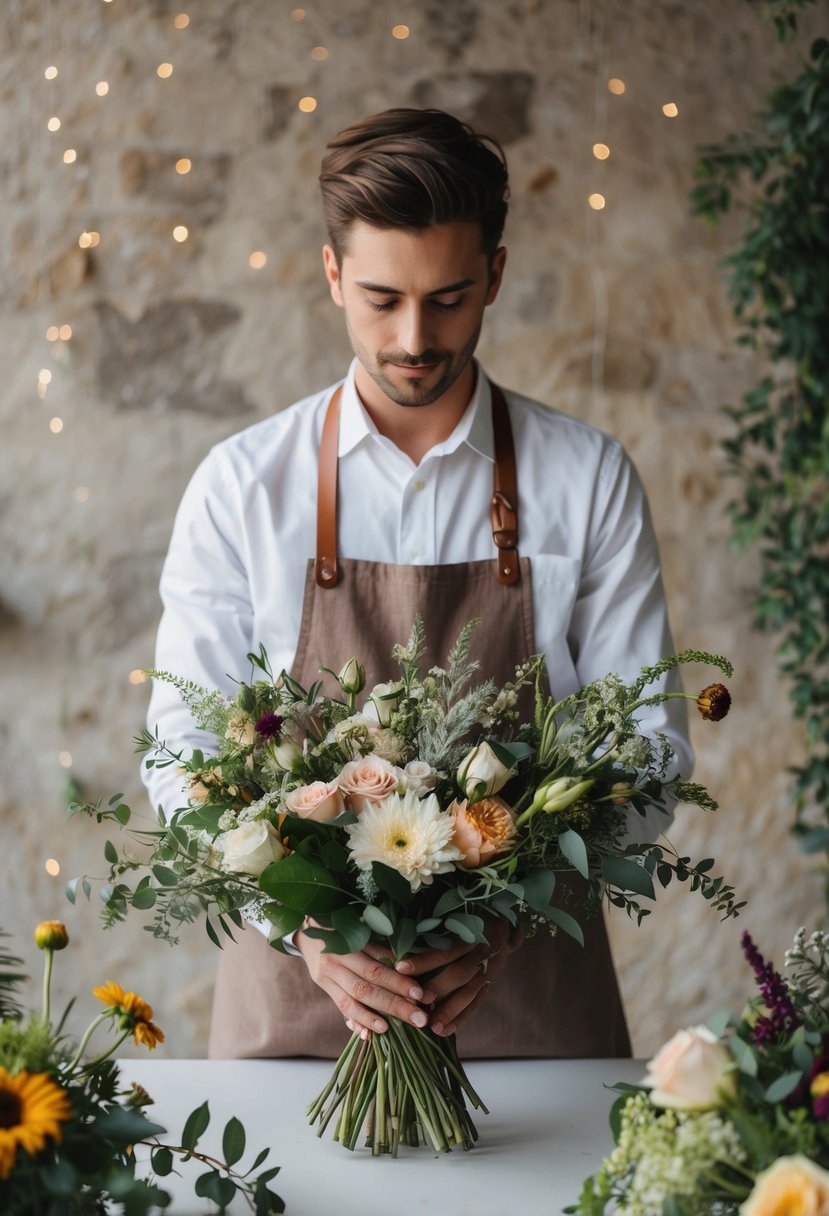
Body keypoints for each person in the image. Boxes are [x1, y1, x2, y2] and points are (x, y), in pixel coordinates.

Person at [142, 107, 691, 1061]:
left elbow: (647, 748)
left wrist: (505, 918)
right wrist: (304, 930)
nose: (412, 335)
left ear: (496, 277)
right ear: (330, 275)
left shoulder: (588, 478)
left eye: (448, 298)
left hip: (531, 1010)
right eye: (379, 297)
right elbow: (182, 751)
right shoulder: (241, 486)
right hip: (299, 1015)